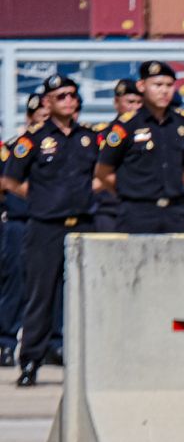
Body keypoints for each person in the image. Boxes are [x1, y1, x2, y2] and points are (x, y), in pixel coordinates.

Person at [2, 76, 97, 388]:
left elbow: (103, 173)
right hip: (46, 225)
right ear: (48, 103)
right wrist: (42, 197)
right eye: (61, 96)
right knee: (40, 296)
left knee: (87, 294)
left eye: (72, 95)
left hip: (83, 223)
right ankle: (31, 360)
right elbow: (10, 181)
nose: (69, 101)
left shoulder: (88, 137)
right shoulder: (34, 139)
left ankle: (87, 359)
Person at [94, 60, 184, 233]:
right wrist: (129, 191)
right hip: (137, 212)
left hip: (176, 212)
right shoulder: (126, 126)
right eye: (157, 85)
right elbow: (103, 171)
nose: (164, 91)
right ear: (142, 86)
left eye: (169, 85)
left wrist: (177, 185)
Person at [0, 94, 45, 369]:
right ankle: (6, 343)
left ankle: (52, 344)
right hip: (18, 221)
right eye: (38, 117)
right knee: (14, 285)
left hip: (47, 223)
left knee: (46, 288)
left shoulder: (66, 147)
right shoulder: (14, 148)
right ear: (29, 119)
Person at [90, 78, 141, 232]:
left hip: (141, 208)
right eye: (130, 102)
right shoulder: (103, 134)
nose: (135, 107)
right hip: (109, 210)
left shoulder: (152, 133)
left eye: (139, 102)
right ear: (116, 102)